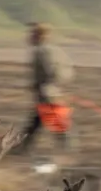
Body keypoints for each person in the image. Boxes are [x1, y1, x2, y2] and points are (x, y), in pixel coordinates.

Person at [16, 22, 75, 160]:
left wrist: (47, 87)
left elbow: (50, 72)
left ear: (39, 35)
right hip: (47, 93)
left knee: (54, 123)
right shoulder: (49, 50)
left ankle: (68, 151)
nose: (29, 37)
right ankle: (22, 149)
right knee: (37, 122)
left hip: (47, 94)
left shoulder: (43, 51)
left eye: (32, 34)